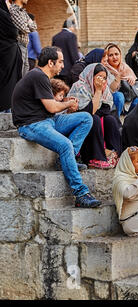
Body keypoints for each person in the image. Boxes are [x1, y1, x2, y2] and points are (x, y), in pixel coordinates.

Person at [11, 46, 101, 208]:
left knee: (86, 118)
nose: (63, 66)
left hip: (48, 120)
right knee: (65, 144)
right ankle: (81, 194)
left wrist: (66, 104)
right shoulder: (38, 76)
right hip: (30, 125)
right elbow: (52, 107)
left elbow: (49, 107)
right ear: (50, 63)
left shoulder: (41, 77)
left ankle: (65, 160)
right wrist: (67, 104)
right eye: (60, 62)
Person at [68, 63, 122, 169]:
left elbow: (106, 108)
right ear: (90, 75)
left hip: (93, 116)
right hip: (79, 122)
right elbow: (88, 112)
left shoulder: (104, 89)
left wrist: (98, 98)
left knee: (110, 120)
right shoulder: (80, 86)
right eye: (99, 77)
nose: (101, 80)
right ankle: (95, 158)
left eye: (104, 78)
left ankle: (113, 154)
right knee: (94, 119)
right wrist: (97, 91)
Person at [103, 43, 138, 117]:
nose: (114, 57)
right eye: (111, 55)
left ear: (120, 55)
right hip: (112, 100)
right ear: (106, 57)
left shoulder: (124, 67)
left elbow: (133, 85)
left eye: (116, 54)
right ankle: (117, 121)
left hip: (127, 100)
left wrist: (131, 79)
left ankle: (131, 121)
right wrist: (117, 77)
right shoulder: (104, 69)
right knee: (119, 96)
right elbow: (110, 90)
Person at [0, 0, 22, 112]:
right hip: (7, 54)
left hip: (6, 53)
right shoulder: (2, 14)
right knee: (8, 84)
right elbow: (14, 31)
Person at [9, 0, 36, 76]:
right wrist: (27, 25)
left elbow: (34, 27)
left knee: (25, 71)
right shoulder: (13, 10)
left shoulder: (23, 12)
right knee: (20, 73)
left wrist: (26, 26)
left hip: (24, 46)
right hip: (18, 45)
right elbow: (23, 28)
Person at [51, 18, 79, 85]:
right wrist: (77, 66)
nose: (74, 29)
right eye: (74, 27)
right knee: (67, 90)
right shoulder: (71, 36)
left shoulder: (55, 37)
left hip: (57, 69)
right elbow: (73, 54)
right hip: (68, 70)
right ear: (71, 26)